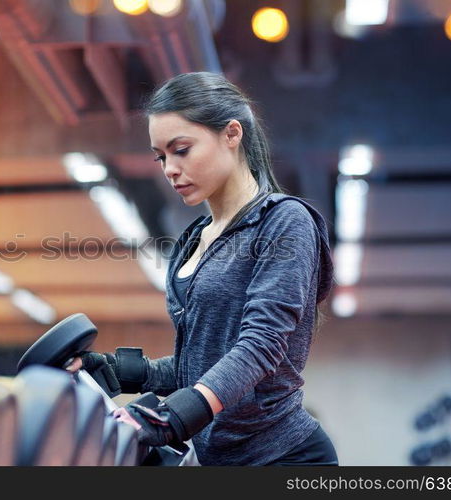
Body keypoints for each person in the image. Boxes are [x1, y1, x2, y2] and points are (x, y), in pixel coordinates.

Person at [67, 72, 337, 466]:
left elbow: (261, 347)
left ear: (231, 134)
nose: (169, 169)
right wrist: (116, 370)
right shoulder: (191, 242)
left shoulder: (284, 222)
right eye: (160, 156)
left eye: (181, 150)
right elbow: (200, 366)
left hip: (286, 457)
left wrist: (171, 417)